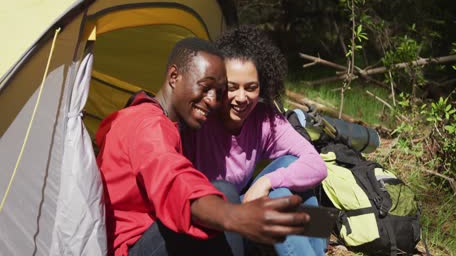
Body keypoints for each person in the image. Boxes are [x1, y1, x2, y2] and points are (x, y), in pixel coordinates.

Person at [96, 37, 311, 256]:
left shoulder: (155, 118)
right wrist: (233, 215)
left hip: (158, 232)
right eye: (205, 87)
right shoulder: (149, 126)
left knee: (290, 184)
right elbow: (174, 181)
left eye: (218, 92)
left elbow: (314, 164)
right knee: (223, 192)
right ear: (174, 77)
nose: (212, 101)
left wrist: (268, 183)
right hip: (132, 248)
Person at [182, 26, 328, 255]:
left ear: (263, 86)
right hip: (212, 221)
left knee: (292, 170)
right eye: (232, 88)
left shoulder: (264, 119)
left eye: (250, 88)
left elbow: (317, 165)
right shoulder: (200, 118)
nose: (241, 98)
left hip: (245, 206)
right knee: (281, 198)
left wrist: (266, 181)